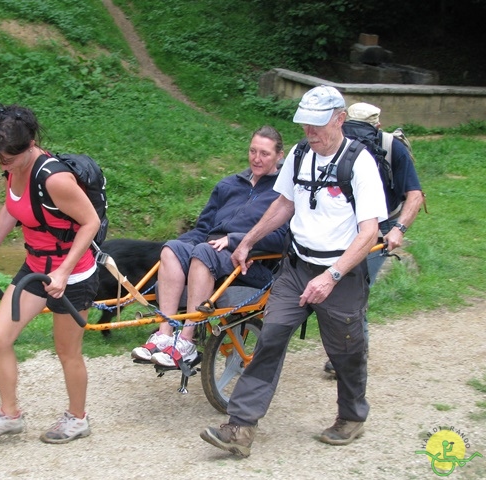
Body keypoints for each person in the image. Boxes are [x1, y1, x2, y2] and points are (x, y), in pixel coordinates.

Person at [200, 86, 387, 457]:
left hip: (342, 274)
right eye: (305, 124)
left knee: (345, 350)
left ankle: (351, 416)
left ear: (340, 120)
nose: (310, 132)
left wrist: (331, 276)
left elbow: (369, 234)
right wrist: (248, 241)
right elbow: (284, 204)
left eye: (318, 125)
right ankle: (239, 428)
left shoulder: (360, 162)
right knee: (270, 337)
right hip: (297, 268)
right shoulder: (301, 155)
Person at [0, 104, 100, 445]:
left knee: (66, 351)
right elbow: (12, 209)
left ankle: (77, 419)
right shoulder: (13, 167)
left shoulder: (55, 179)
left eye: (8, 159)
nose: (2, 165)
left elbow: (90, 223)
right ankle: (10, 415)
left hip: (72, 273)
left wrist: (63, 271)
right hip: (34, 268)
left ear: (29, 146)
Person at [131, 126, 289, 368]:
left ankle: (186, 341)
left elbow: (281, 237)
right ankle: (164, 333)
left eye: (265, 154)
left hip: (250, 262)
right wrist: (183, 245)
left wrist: (235, 239)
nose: (256, 158)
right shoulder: (229, 185)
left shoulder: (283, 193)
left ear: (279, 156)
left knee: (204, 252)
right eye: (252, 151)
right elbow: (203, 229)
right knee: (172, 248)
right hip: (210, 250)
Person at [323, 102, 425, 376]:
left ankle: (351, 358)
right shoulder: (394, 146)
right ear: (378, 125)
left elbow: (415, 197)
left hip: (369, 229)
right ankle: (347, 353)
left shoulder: (344, 141)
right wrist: (398, 230)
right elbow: (415, 196)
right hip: (363, 226)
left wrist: (396, 230)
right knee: (349, 291)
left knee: (353, 292)